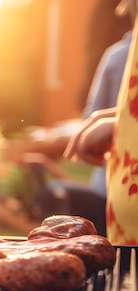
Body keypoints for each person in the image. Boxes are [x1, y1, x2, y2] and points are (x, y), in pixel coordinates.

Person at [65, 0, 138, 244]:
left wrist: (114, 119)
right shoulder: (122, 55)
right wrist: (116, 117)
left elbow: (91, 113)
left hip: (113, 189)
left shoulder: (116, 55)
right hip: (122, 204)